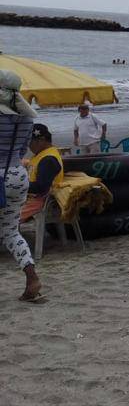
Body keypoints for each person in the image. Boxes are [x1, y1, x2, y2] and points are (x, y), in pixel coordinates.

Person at [0, 70, 43, 302]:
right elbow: (21, 150)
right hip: (17, 175)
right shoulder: (26, 119)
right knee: (10, 231)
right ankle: (31, 277)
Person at [22, 123, 64, 224]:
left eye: (30, 142)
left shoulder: (48, 159)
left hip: (39, 201)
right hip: (31, 198)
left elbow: (41, 187)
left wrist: (19, 185)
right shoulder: (41, 154)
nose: (28, 146)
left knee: (5, 214)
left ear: (41, 140)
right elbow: (33, 166)